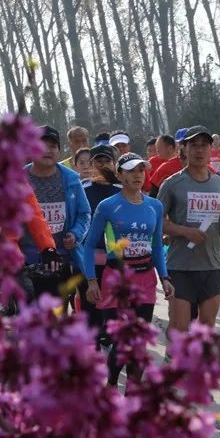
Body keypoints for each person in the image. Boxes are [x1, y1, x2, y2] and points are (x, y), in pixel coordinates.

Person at [84, 153, 175, 387]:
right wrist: (92, 280)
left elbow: (157, 246)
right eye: (131, 171)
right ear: (120, 175)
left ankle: (133, 394)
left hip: (145, 278)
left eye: (141, 170)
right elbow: (90, 244)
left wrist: (164, 277)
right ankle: (111, 384)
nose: (138, 175)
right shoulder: (108, 206)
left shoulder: (155, 205)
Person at [158, 125, 220, 334]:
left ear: (211, 149)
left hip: (211, 265)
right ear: (184, 149)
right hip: (180, 266)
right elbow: (157, 223)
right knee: (180, 328)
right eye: (193, 145)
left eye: (204, 145)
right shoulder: (172, 184)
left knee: (206, 328)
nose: (199, 150)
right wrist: (185, 231)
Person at [21, 125, 91, 302]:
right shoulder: (18, 180)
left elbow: (84, 213)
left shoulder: (71, 179)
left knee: (58, 311)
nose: (48, 150)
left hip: (62, 258)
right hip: (28, 260)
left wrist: (75, 234)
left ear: (59, 151)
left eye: (53, 146)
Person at [78, 145, 122, 347]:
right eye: (98, 161)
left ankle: (110, 336)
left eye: (107, 161)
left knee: (114, 305)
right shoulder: (82, 189)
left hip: (117, 258)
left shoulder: (122, 190)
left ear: (114, 164)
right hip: (90, 255)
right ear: (91, 164)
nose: (102, 165)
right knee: (91, 304)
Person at [148, 133, 181, 199]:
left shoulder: (188, 164)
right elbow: (152, 193)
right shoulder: (153, 161)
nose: (157, 152)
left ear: (170, 148)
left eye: (159, 149)